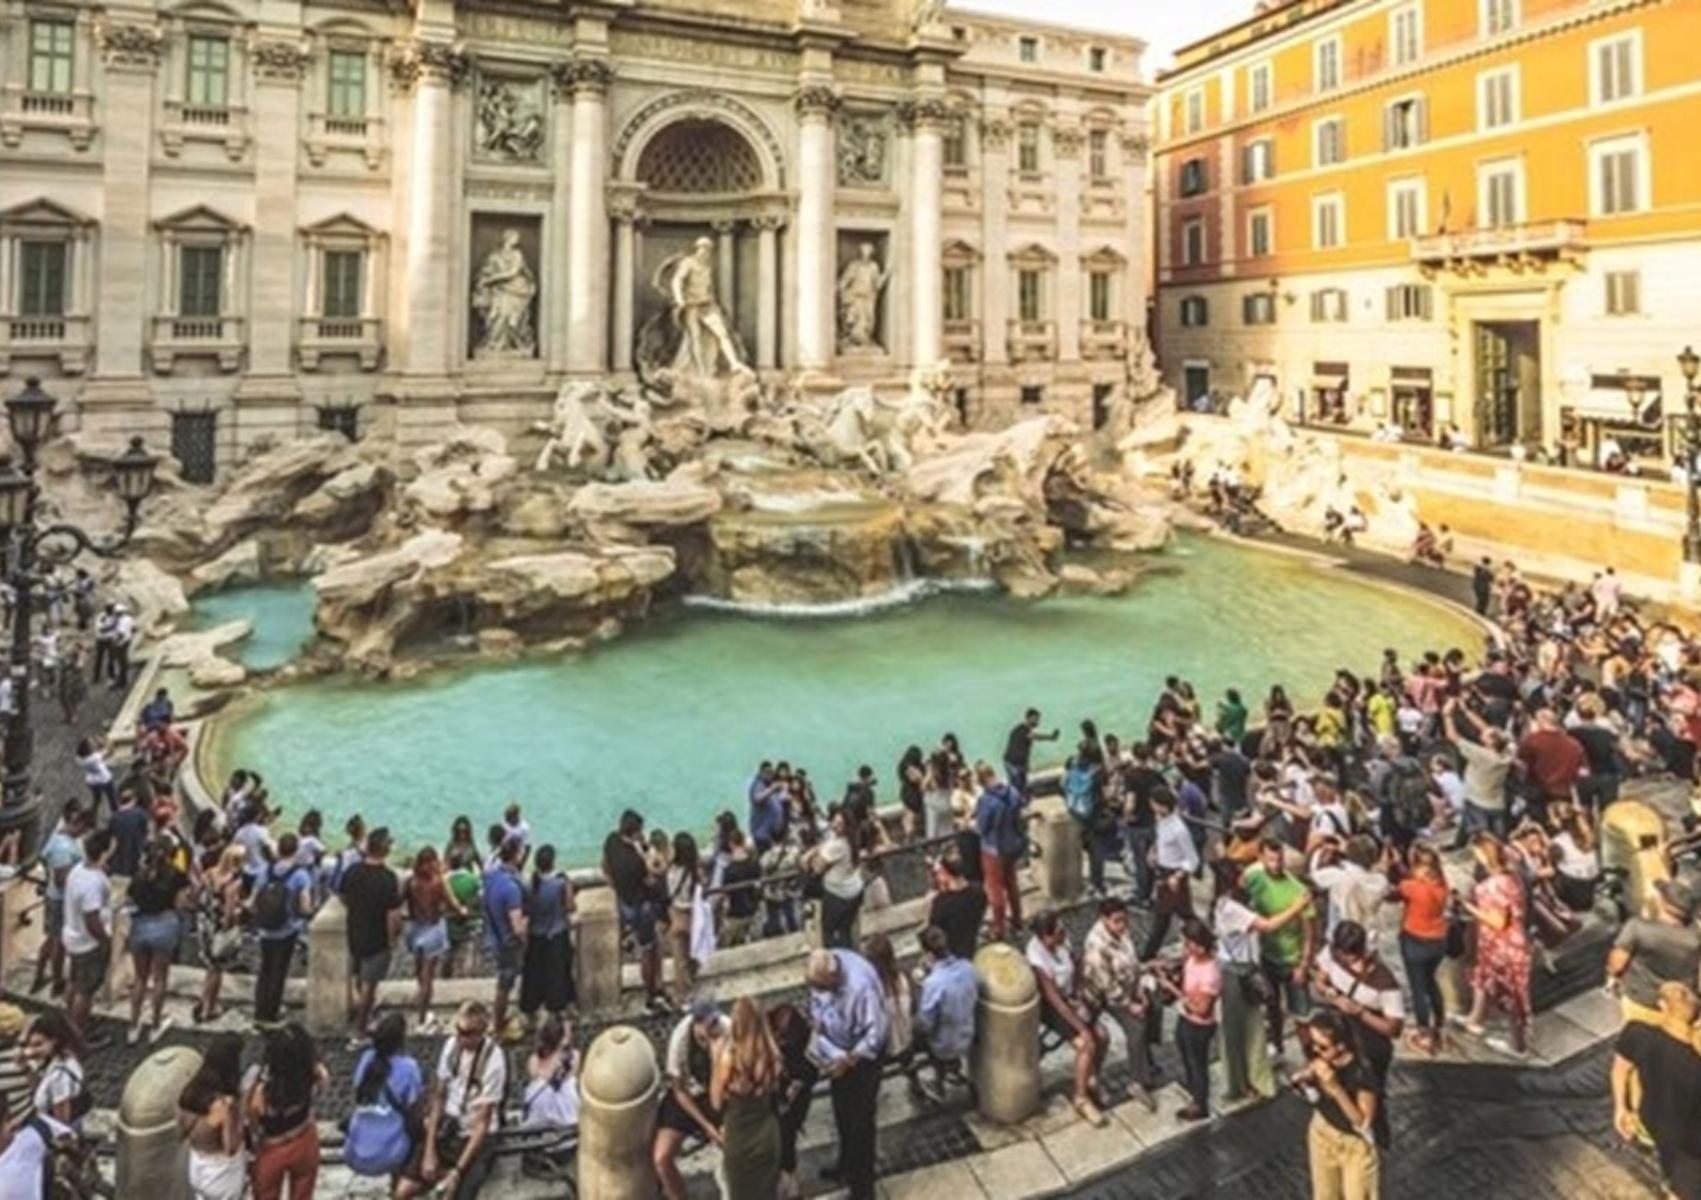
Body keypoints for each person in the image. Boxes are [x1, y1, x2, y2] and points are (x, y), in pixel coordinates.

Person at [396, 1002, 505, 1200]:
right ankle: (440, 1176)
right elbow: (438, 1097)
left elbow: (482, 1124)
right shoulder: (451, 1046)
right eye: (458, 1030)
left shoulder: (494, 1060)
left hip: (472, 1134)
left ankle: (448, 1176)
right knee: (403, 1190)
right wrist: (430, 1150)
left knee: (459, 1193)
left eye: (467, 1033)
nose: (461, 1037)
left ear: (481, 1032)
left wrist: (458, 1171)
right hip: (448, 1125)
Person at [805, 948, 888, 1200]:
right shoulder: (825, 971)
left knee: (860, 1124)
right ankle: (845, 1164)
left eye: (822, 987)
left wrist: (850, 1061)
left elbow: (875, 1035)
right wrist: (817, 1024)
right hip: (836, 1052)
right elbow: (817, 1004)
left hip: (861, 1060)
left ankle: (863, 1189)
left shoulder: (861, 987)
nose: (817, 992)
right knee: (842, 1112)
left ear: (833, 978)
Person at [1312, 920, 1403, 1149]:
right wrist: (1332, 994)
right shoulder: (1331, 954)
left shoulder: (1384, 981)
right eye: (1341, 956)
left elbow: (1394, 1028)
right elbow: (1320, 980)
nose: (1345, 961)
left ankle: (1377, 1141)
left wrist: (1360, 1012)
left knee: (1371, 1094)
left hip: (1371, 1043)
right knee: (1339, 1086)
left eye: (1350, 957)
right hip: (1343, 1035)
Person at [1611, 981, 1701, 1200]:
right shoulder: (1694, 1063)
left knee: (1673, 1172)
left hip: (1654, 1121)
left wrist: (1622, 1108)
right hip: (1691, 1140)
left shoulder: (1637, 1032)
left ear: (1662, 1006)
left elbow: (1620, 1069)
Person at [1027, 911, 1109, 1127]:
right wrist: (1080, 1027)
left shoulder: (1064, 942)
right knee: (1086, 1044)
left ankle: (1093, 1076)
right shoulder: (1037, 960)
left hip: (1071, 997)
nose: (1064, 935)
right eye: (1059, 933)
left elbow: (1077, 965)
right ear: (1046, 938)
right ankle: (1080, 1097)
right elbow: (1054, 999)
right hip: (1052, 1008)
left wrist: (1079, 993)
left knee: (1102, 1035)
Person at [1455, 833, 1532, 1059]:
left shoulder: (1492, 886)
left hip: (1504, 946)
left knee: (1511, 994)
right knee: (1483, 978)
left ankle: (1518, 1046)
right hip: (1502, 942)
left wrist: (1470, 907)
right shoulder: (1514, 876)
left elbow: (1498, 921)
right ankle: (1475, 1018)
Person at [1079, 898, 1161, 1111]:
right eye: (1117, 921)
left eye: (1125, 920)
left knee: (1151, 1010)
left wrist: (1140, 989)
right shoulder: (1096, 947)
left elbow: (1132, 962)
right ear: (1104, 919)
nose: (1123, 926)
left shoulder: (1122, 934)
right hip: (1103, 994)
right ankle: (1135, 1080)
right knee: (1135, 1026)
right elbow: (1107, 985)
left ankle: (1143, 1066)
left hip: (1127, 984)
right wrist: (1129, 1004)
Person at [1243, 837, 1316, 1058]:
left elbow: (1310, 932)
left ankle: (1310, 1057)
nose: (1276, 864)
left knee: (1302, 1015)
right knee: (1272, 1005)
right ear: (1261, 858)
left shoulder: (1297, 890)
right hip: (1267, 956)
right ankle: (1277, 1042)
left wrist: (1304, 964)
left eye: (1279, 859)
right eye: (1271, 859)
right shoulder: (1253, 878)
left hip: (1292, 959)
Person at [1297, 1009, 1382, 1200]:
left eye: (1322, 1047)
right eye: (1312, 1045)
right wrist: (1305, 1080)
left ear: (1341, 1046)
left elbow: (1362, 1122)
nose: (1316, 1051)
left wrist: (1336, 1089)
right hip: (1322, 1132)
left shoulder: (1361, 1072)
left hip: (1353, 1144)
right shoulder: (1320, 1059)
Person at [654, 1000, 728, 1200]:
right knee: (661, 1157)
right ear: (697, 1024)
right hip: (689, 1096)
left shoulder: (727, 1031)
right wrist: (706, 1126)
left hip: (721, 1093)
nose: (714, 1029)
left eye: (715, 1023)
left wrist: (717, 1058)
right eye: (708, 1025)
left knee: (731, 1143)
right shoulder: (680, 1039)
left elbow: (724, 1087)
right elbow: (679, 1091)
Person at [244, 1023, 327, 1200]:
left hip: (272, 1148)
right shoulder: (311, 1076)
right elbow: (323, 1084)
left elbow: (252, 1117)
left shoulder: (262, 1092)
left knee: (265, 1194)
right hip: (305, 1138)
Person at [711, 997, 783, 1199]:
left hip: (740, 1138)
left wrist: (715, 1059)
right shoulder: (771, 1053)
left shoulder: (729, 1059)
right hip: (767, 1135)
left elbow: (715, 1102)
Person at [1606, 878, 1701, 1027]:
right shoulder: (1697, 934)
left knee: (1638, 1042)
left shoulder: (1637, 928)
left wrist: (1612, 976)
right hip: (1680, 1005)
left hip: (1640, 999)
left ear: (1664, 903)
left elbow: (1617, 963)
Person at [340, 826, 403, 1045]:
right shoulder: (388, 878)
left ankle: (361, 1014)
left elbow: (343, 896)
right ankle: (360, 1029)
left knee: (359, 979)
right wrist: (393, 939)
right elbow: (392, 916)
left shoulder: (353, 872)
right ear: (385, 850)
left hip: (355, 932)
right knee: (369, 985)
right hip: (377, 939)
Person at [345, 1012, 426, 1182]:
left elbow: (356, 1091)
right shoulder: (409, 1067)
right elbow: (414, 1110)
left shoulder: (366, 1059)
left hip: (354, 1152)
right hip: (391, 1154)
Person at [1387, 843, 1450, 1054]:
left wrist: (1392, 867)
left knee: (1418, 988)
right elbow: (1411, 880)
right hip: (1438, 940)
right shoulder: (1441, 884)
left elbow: (1393, 892)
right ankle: (1440, 1024)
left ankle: (1423, 1032)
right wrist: (1400, 865)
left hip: (1415, 940)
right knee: (1431, 982)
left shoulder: (1413, 888)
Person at [126, 836, 189, 1045]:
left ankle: (133, 1026)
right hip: (165, 925)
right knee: (160, 979)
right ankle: (154, 1025)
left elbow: (130, 901)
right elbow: (180, 904)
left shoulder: (139, 876)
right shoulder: (177, 876)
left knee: (140, 979)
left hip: (141, 926)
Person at [602, 810, 666, 1012]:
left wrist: (615, 886)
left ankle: (628, 938)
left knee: (640, 938)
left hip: (623, 901)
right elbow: (650, 880)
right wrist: (656, 865)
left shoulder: (611, 841)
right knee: (649, 949)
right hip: (641, 907)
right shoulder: (635, 861)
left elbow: (605, 867)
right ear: (636, 832)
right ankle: (651, 995)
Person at [1159, 918, 1222, 1121]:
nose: (1186, 948)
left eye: (1189, 944)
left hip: (1199, 1025)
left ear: (1201, 947)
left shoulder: (1210, 975)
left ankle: (1200, 1103)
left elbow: (1202, 1010)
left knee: (1197, 1063)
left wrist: (1174, 991)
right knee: (1187, 1057)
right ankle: (1195, 1092)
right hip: (1185, 1018)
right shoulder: (1192, 959)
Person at [252, 834, 315, 1027]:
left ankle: (259, 1011)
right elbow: (305, 906)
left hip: (265, 930)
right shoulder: (300, 875)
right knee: (279, 971)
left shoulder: (266, 870)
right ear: (296, 851)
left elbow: (254, 898)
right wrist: (310, 912)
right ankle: (272, 1013)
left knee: (265, 970)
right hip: (287, 929)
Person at [177, 1032, 247, 1200]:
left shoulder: (189, 1092)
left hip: (196, 1167)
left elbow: (180, 1133)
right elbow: (231, 1148)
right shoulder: (223, 1107)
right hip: (220, 1177)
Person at [911, 925, 976, 1103]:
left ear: (929, 954)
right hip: (968, 1032)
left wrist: (919, 989)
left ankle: (937, 1080)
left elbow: (925, 1023)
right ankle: (953, 1068)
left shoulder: (933, 984)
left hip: (945, 1044)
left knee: (915, 1030)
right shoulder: (968, 968)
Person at [61, 828, 114, 1043]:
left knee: (74, 981)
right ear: (102, 852)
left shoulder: (78, 871)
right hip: (88, 942)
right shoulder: (92, 883)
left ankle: (69, 1022)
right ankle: (77, 1034)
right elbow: (92, 919)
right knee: (86, 990)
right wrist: (105, 940)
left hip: (73, 937)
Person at [32, 804, 88, 998]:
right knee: (58, 942)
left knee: (51, 938)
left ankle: (40, 974)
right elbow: (60, 878)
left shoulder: (56, 838)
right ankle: (57, 980)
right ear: (78, 825)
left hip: (53, 896)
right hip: (61, 900)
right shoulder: (64, 848)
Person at [406, 845, 462, 1033]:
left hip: (415, 928)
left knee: (418, 969)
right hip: (433, 928)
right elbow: (453, 904)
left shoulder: (411, 882)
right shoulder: (439, 883)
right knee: (428, 976)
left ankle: (422, 1001)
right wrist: (463, 911)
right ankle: (423, 1017)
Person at [1142, 788, 1201, 959]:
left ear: (1162, 806)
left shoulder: (1179, 829)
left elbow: (1193, 859)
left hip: (1174, 875)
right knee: (1175, 915)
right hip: (1164, 872)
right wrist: (1154, 851)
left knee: (1167, 917)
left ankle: (1148, 954)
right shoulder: (1161, 821)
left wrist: (1178, 875)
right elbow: (1160, 840)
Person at [520, 844, 574, 1028]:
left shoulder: (530, 885)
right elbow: (569, 906)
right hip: (556, 933)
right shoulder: (560, 883)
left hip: (536, 935)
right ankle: (557, 1008)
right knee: (557, 973)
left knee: (534, 974)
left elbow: (526, 910)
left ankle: (531, 1008)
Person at [481, 835, 528, 1040]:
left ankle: (498, 1020)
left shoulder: (491, 876)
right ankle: (497, 1024)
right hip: (509, 943)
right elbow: (517, 926)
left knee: (504, 981)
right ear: (517, 855)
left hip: (494, 935)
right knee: (505, 984)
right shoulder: (511, 888)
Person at [974, 762, 1027, 940]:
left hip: (993, 849)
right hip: (1012, 845)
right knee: (1011, 883)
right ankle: (1018, 922)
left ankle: (999, 928)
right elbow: (1021, 808)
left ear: (980, 781)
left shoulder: (987, 801)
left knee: (995, 889)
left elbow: (982, 828)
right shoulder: (1012, 792)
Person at [807, 807, 865, 951]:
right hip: (854, 890)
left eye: (839, 824)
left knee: (829, 932)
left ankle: (836, 959)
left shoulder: (837, 846)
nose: (834, 825)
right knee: (845, 929)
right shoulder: (852, 840)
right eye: (834, 821)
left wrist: (811, 855)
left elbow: (816, 868)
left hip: (838, 894)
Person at [24, 1012, 86, 1129]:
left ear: (54, 1041)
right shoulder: (61, 1059)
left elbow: (61, 1123)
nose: (31, 1051)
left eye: (38, 1044)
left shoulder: (59, 1077)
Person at [927, 850, 986, 960]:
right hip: (973, 941)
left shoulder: (940, 903)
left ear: (945, 873)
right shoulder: (978, 891)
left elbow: (933, 930)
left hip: (952, 952)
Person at [1003, 708, 1059, 797]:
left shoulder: (1020, 729)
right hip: (1014, 763)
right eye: (1036, 719)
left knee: (1019, 787)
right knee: (1017, 789)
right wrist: (1050, 737)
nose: (1038, 722)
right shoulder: (1024, 730)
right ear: (1029, 718)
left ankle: (1019, 805)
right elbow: (1035, 736)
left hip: (1013, 762)